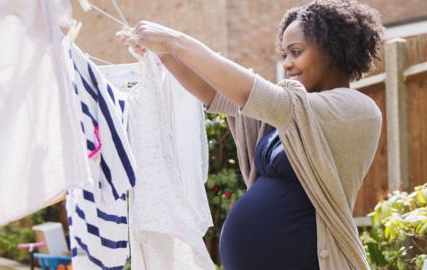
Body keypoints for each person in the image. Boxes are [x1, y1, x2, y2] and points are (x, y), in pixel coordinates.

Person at [116, 0, 384, 269]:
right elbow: (212, 93)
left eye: (296, 52)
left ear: (333, 49)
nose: (288, 64)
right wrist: (163, 54)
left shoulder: (357, 110)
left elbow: (258, 96)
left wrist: (174, 41)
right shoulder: (292, 112)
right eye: (285, 55)